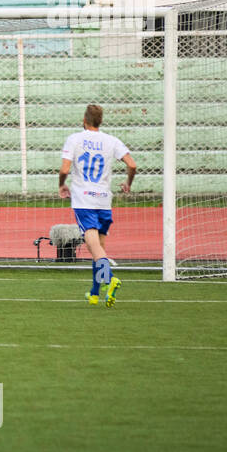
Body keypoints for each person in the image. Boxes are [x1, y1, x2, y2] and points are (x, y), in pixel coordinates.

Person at [59, 103, 136, 306]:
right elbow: (132, 164)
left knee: (94, 247)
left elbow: (65, 168)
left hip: (84, 200)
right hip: (103, 200)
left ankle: (110, 279)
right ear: (100, 122)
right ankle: (95, 293)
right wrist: (128, 183)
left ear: (84, 121)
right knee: (98, 248)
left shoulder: (75, 139)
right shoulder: (111, 141)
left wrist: (62, 185)